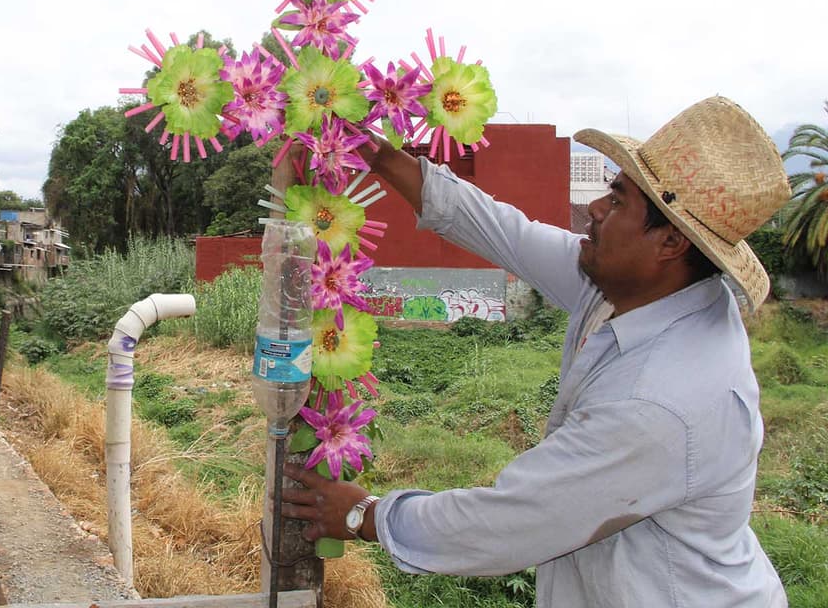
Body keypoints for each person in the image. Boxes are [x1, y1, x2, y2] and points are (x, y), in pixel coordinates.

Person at [281, 96, 790, 606]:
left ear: (671, 244)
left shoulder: (662, 403)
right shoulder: (636, 284)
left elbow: (508, 521)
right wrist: (381, 155)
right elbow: (507, 233)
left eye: (617, 200)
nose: (595, 207)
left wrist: (362, 514)